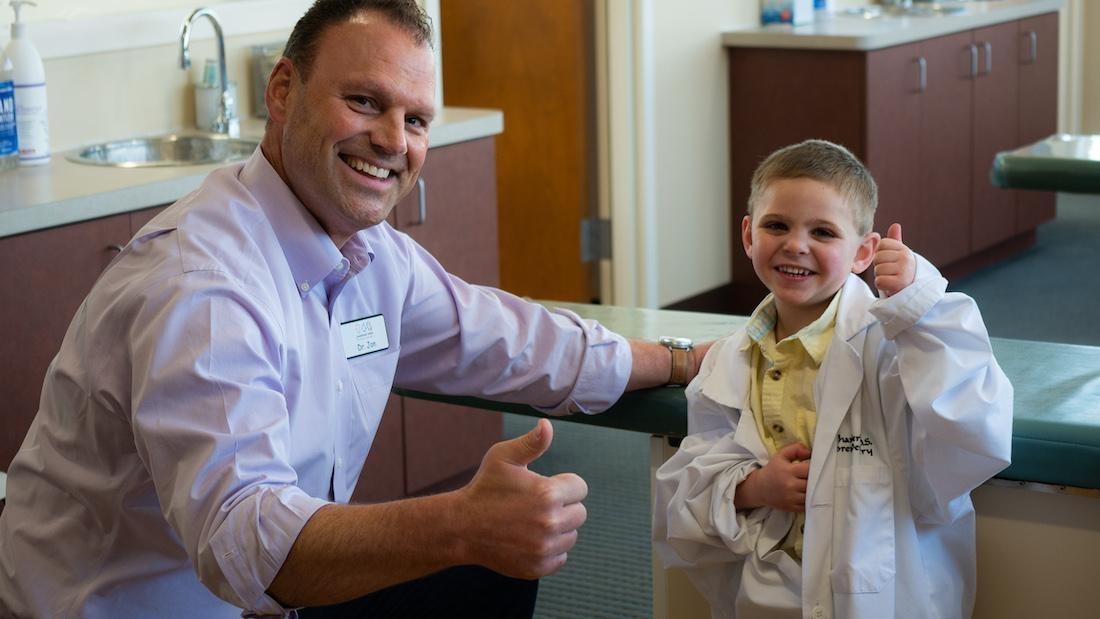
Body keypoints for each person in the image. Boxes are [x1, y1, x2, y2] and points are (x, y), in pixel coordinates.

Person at [0, 1, 705, 617]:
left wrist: (681, 361)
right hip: (134, 605)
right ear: (283, 91)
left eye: (416, 119)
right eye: (365, 101)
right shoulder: (203, 285)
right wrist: (460, 522)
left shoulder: (367, 252)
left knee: (484, 573)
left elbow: (502, 337)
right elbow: (245, 543)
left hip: (268, 592)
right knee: (470, 552)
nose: (395, 141)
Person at [652, 139, 1013, 619]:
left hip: (884, 601)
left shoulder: (893, 346)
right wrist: (754, 488)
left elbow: (974, 426)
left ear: (863, 252)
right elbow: (689, 486)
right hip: (769, 595)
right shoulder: (729, 360)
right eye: (776, 226)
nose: (795, 245)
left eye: (822, 232)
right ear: (748, 235)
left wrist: (919, 304)